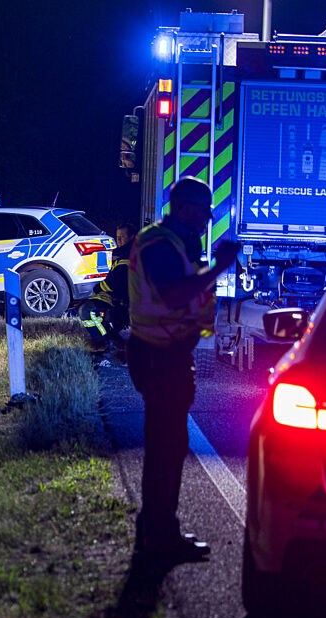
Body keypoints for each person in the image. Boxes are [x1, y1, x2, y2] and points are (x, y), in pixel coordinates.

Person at [127, 178, 240, 562]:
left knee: (169, 447)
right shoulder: (160, 244)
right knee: (165, 449)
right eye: (203, 217)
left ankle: (158, 531)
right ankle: (158, 538)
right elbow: (174, 294)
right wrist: (219, 269)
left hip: (166, 358)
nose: (206, 225)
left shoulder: (174, 243)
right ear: (188, 209)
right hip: (159, 359)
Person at [78, 222, 136, 361]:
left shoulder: (128, 255)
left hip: (124, 300)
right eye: (117, 237)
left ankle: (105, 343)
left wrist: (96, 290)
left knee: (87, 311)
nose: (119, 241)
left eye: (122, 237)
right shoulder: (128, 252)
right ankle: (115, 340)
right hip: (124, 298)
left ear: (132, 237)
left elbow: (114, 282)